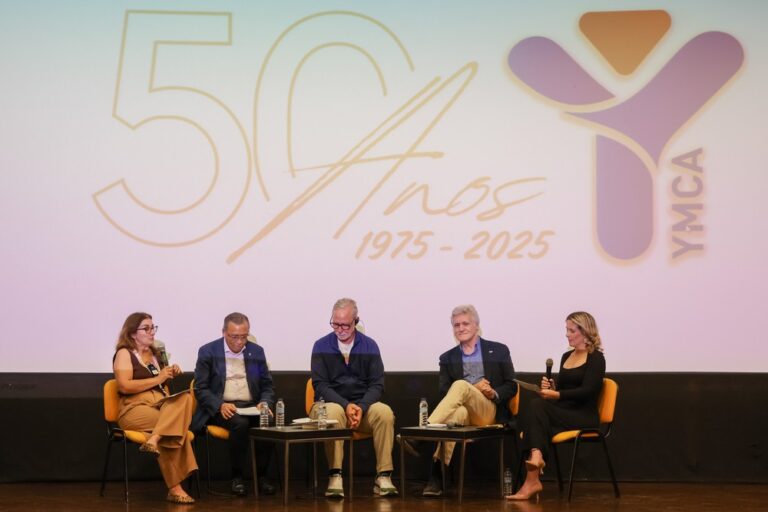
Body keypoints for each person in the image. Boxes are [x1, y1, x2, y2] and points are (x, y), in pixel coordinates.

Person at [400, 304, 516, 497]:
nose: (461, 328)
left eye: (465, 324)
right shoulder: (447, 357)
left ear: (476, 325)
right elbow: (445, 391)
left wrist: (492, 392)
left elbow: (511, 385)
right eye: (456, 325)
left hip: (488, 412)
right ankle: (437, 475)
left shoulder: (499, 350)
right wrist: (473, 387)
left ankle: (421, 435)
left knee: (461, 385)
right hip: (463, 412)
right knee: (456, 414)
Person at [507, 311, 606, 501]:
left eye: (571, 330)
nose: (567, 334)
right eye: (566, 330)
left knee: (537, 411)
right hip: (564, 412)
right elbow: (564, 390)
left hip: (583, 415)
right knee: (537, 409)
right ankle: (535, 467)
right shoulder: (566, 356)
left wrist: (557, 394)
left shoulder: (596, 358)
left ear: (585, 331)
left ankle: (534, 469)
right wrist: (553, 388)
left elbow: (588, 391)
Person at [310, 298, 398, 498]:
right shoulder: (321, 345)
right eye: (335, 324)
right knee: (334, 412)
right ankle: (335, 475)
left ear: (356, 321)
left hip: (361, 408)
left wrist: (361, 407)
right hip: (329, 405)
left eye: (345, 325)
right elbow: (320, 385)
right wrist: (345, 405)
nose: (340, 330)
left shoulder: (369, 346)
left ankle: (383, 475)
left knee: (384, 412)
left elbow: (377, 384)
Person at [112, 312, 197, 504]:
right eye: (146, 328)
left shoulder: (156, 354)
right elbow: (124, 386)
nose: (152, 332)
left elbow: (162, 383)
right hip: (134, 407)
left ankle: (155, 438)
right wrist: (158, 378)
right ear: (132, 333)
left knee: (186, 398)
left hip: (160, 403)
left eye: (153, 327)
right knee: (174, 428)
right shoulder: (124, 353)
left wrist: (170, 372)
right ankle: (175, 488)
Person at [192, 312, 276, 496]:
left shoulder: (256, 351)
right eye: (234, 337)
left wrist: (264, 402)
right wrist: (219, 404)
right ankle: (237, 477)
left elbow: (267, 385)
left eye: (243, 337)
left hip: (251, 406)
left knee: (267, 422)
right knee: (240, 424)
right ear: (224, 332)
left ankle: (261, 476)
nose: (239, 342)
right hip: (221, 408)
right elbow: (201, 388)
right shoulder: (208, 351)